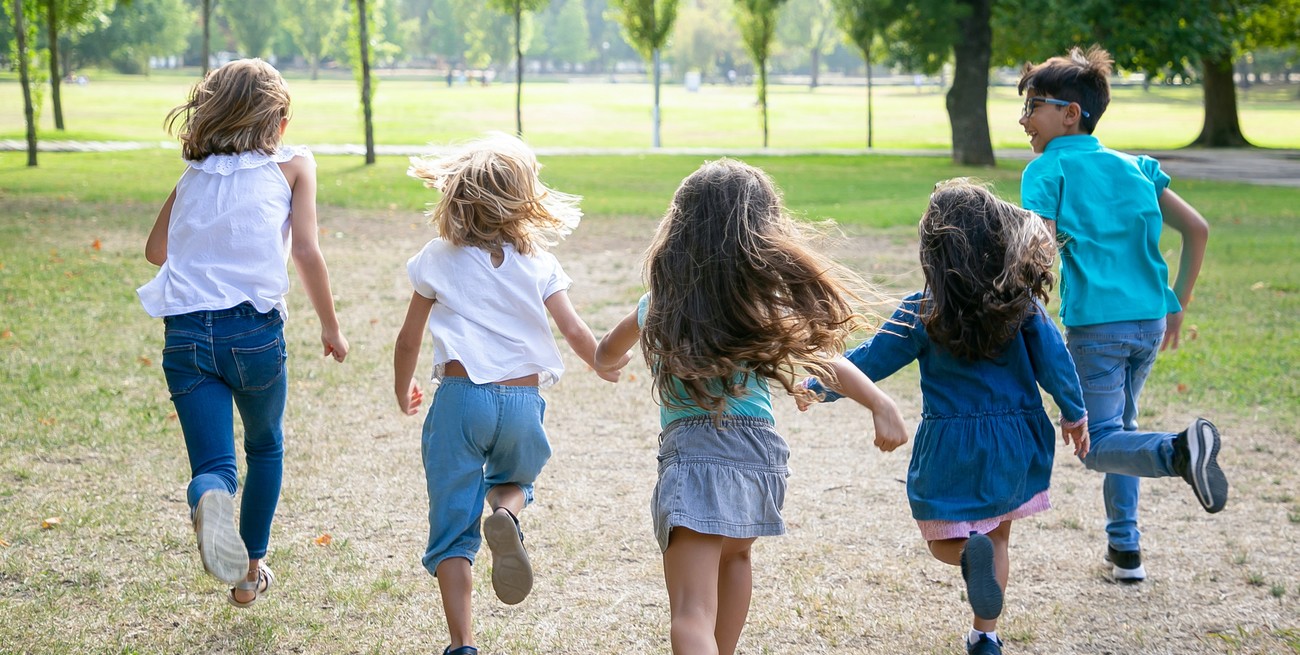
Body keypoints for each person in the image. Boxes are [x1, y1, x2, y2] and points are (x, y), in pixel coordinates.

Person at [594, 158, 908, 655]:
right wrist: (879, 401)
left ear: (679, 229)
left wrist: (605, 360)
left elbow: (607, 349)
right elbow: (827, 358)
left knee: (691, 613)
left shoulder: (661, 301)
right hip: (759, 456)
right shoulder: (760, 302)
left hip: (696, 455)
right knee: (736, 559)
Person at [800, 179, 1090, 655]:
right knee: (997, 537)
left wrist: (817, 385)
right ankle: (986, 636)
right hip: (1017, 437)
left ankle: (963, 558)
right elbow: (1056, 361)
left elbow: (871, 359)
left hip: (952, 445)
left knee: (943, 539)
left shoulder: (922, 308)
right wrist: (1075, 413)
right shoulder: (1022, 303)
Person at [393, 133, 627, 655]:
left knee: (453, 527)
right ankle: (508, 514)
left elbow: (408, 337)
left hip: (459, 399)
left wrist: (400, 385)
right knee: (514, 480)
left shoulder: (437, 256)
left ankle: (462, 644)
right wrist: (602, 362)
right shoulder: (539, 262)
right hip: (522, 403)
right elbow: (574, 330)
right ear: (524, 202)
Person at [137, 58, 349, 608]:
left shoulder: (193, 175)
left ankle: (209, 496)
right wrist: (330, 325)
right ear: (278, 121)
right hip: (252, 333)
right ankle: (249, 572)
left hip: (184, 336)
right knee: (265, 445)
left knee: (213, 467)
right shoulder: (294, 164)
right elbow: (305, 249)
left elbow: (155, 251)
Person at [1017, 45, 1226, 583]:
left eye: (1034, 105)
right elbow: (1197, 230)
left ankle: (1180, 452)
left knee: (1099, 444)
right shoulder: (1137, 167)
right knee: (1120, 432)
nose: (1023, 119)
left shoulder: (1046, 170)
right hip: (1151, 321)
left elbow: (1036, 252)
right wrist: (1177, 303)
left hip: (1097, 327)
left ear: (1071, 113)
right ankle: (1125, 551)